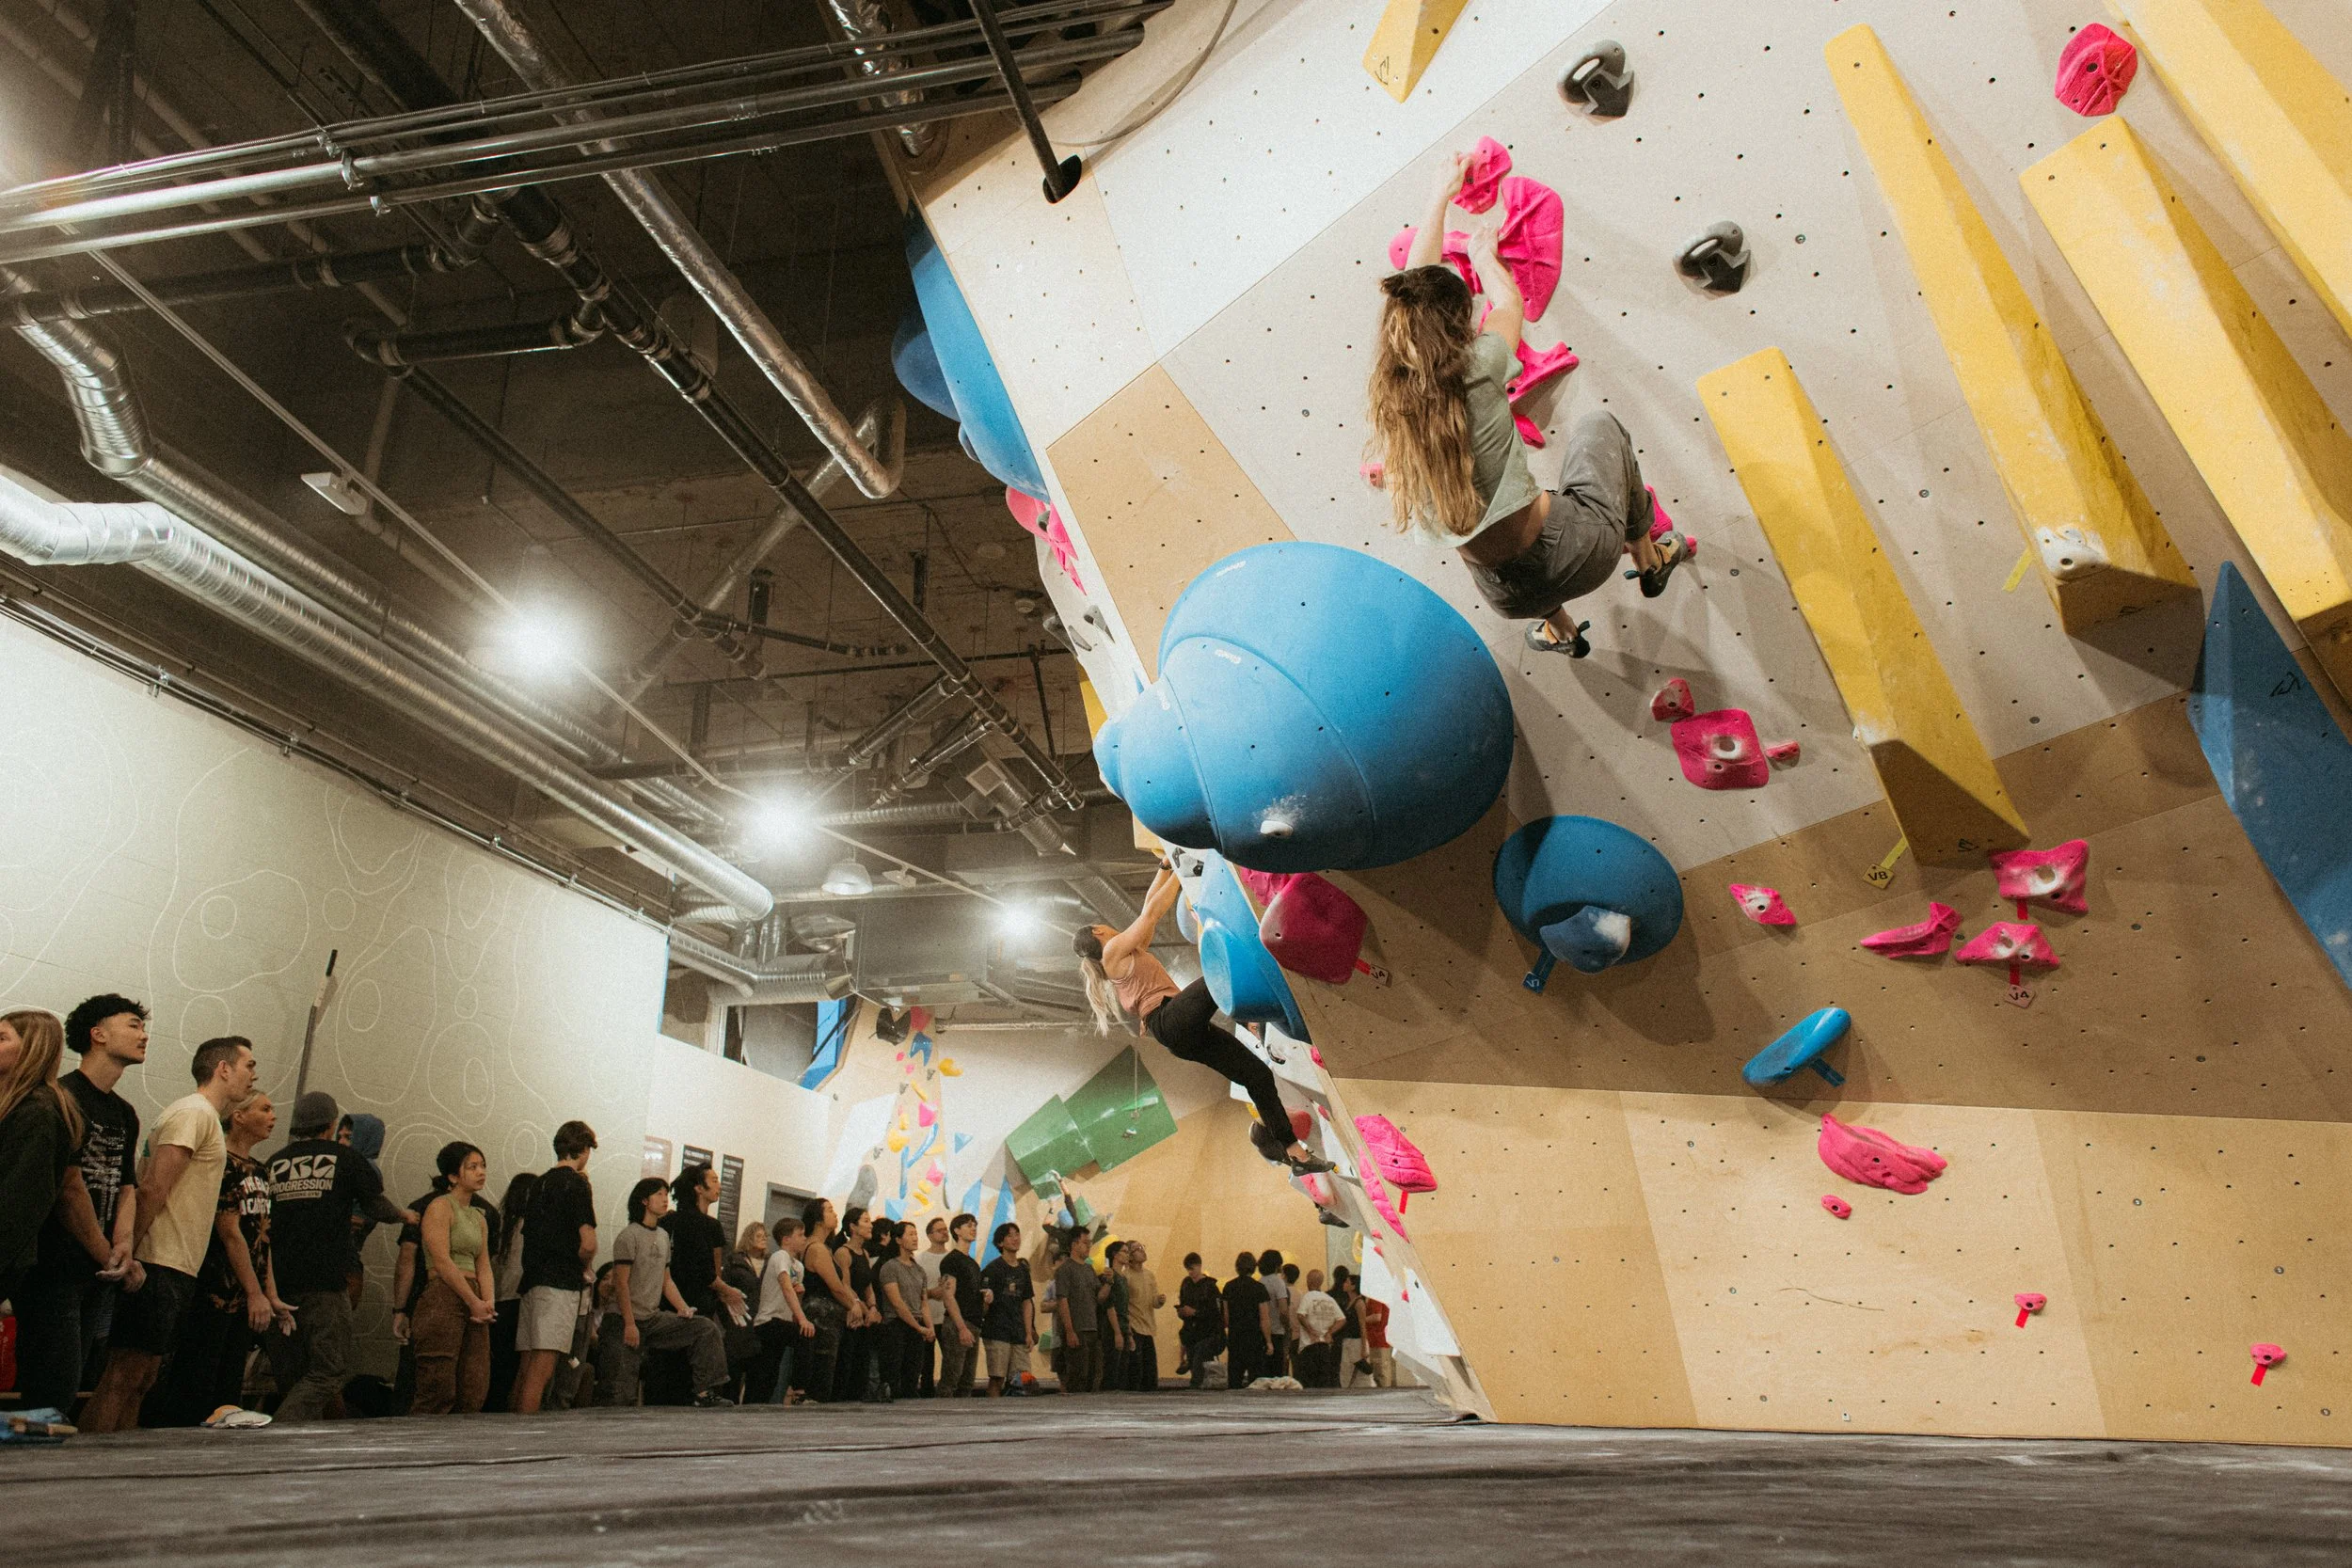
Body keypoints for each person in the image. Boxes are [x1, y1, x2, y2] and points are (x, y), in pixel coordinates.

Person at [1367, 158, 1690, 662]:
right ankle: (1651, 558)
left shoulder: (1392, 402)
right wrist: (1484, 257)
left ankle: (1560, 631)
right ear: (1456, 326)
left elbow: (1414, 293)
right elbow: (1507, 304)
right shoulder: (1479, 365)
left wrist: (1438, 199)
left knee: (1493, 533)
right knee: (1599, 427)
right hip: (1579, 553)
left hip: (1507, 598)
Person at [1075, 867, 1334, 1176]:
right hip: (1169, 1020)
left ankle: (1295, 1154)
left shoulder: (1126, 954)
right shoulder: (1111, 953)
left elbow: (1149, 908)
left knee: (1258, 1077)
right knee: (1218, 972)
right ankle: (1261, 999)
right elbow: (1151, 913)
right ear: (1098, 932)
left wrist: (1164, 868)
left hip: (1178, 1033)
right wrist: (1180, 872)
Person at [79, 1036, 256, 1433]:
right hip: (157, 1259)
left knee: (142, 1381)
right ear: (223, 1069)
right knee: (123, 1377)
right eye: (248, 1065)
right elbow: (153, 1188)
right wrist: (129, 1250)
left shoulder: (203, 1117)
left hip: (175, 1264)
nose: (254, 1075)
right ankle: (87, 1463)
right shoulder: (194, 1113)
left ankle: (121, 1463)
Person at [14, 994, 146, 1417]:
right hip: (54, 1267)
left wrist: (123, 1244)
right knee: (51, 1389)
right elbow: (68, 1191)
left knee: (68, 1389)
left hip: (97, 1272)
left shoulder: (124, 1113)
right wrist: (108, 1253)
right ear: (98, 1034)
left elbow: (127, 1185)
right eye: (133, 1025)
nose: (144, 1035)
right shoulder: (62, 1097)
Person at [259, 1087, 411, 1425]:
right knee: (330, 1370)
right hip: (326, 1280)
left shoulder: (274, 1162)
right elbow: (375, 1206)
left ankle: (295, 1437)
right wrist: (405, 1216)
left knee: (292, 1372)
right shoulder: (346, 1159)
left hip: (277, 1283)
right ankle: (279, 1430)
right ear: (330, 1124)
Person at [152, 1087, 288, 1425]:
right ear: (239, 1116)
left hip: (245, 1297)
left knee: (229, 1392)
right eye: (264, 1109)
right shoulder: (223, 1162)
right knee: (198, 1385)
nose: (273, 1117)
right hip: (215, 1289)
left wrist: (270, 1293)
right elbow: (229, 1231)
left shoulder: (261, 1170)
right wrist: (256, 1292)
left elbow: (263, 1236)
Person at [596, 1177, 730, 1407]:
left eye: (666, 1194)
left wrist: (683, 1308)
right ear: (644, 1201)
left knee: (704, 1328)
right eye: (658, 1194)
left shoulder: (663, 1235)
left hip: (652, 1318)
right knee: (620, 1394)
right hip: (623, 1319)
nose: (665, 1199)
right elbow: (621, 1283)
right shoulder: (629, 1235)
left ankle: (704, 1391)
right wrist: (630, 1323)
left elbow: (666, 1281)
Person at [513, 1120, 598, 1415]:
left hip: (531, 1280)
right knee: (543, 1369)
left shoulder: (538, 1184)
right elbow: (588, 1243)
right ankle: (525, 1436)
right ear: (583, 1149)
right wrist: (584, 1265)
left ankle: (508, 1430)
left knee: (525, 1368)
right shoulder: (577, 1184)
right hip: (559, 1283)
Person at [0, 1011, 83, 1314]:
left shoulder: (37, 1112)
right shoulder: (15, 1105)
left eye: (2, 1038)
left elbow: (19, 1203)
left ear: (32, 1048)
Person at [410, 1142, 499, 1415]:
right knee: (438, 1386)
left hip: (475, 1297)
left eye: (482, 1166)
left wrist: (487, 1302)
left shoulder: (479, 1217)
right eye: (472, 1167)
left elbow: (484, 1264)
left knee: (474, 1386)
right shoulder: (440, 1206)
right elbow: (441, 1260)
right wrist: (473, 1301)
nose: (481, 1172)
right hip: (444, 1293)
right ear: (452, 1176)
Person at [484, 1171, 537, 1411]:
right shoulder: (530, 1228)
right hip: (519, 1301)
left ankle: (490, 1410)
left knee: (496, 1366)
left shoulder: (499, 1224)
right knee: (516, 1368)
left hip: (496, 1301)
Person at [749, 1214, 815, 1404]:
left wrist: (800, 1293)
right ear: (786, 1240)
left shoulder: (798, 1266)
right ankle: (799, 1392)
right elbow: (786, 1287)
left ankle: (758, 1403)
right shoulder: (780, 1256)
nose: (804, 1238)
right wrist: (803, 1319)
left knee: (769, 1371)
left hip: (782, 1320)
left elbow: (792, 1297)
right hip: (768, 1320)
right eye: (800, 1235)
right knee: (805, 1336)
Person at [794, 1197, 854, 1402]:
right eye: (829, 1210)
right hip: (820, 1315)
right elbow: (835, 1287)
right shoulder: (816, 1248)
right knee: (822, 1371)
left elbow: (843, 1284)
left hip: (827, 1315)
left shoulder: (825, 1247)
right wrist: (853, 1307)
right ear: (818, 1219)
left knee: (828, 1370)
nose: (835, 1214)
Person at [876, 1218, 934, 1401]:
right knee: (893, 1375)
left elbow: (923, 1303)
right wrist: (918, 1328)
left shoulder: (919, 1270)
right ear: (898, 1240)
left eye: (916, 1234)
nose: (915, 1238)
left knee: (912, 1376)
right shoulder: (890, 1267)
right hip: (896, 1325)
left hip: (917, 1325)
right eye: (910, 1234)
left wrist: (929, 1327)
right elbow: (897, 1303)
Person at [978, 1222, 1035, 1397]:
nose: (1015, 1238)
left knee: (1023, 1379)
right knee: (997, 1378)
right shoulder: (992, 1269)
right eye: (1010, 1235)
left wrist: (1028, 1332)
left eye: (1017, 1234)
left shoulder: (1023, 1270)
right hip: (997, 1330)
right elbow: (983, 1301)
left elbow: (1027, 1302)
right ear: (1000, 1242)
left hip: (1018, 1331)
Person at [937, 1212, 983, 1398]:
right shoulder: (952, 1260)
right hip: (959, 1324)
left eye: (975, 1225)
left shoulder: (972, 1263)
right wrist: (961, 1327)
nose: (973, 1228)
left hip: (973, 1323)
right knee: (951, 1378)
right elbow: (948, 1296)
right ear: (956, 1230)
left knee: (967, 1381)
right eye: (968, 1225)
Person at [1052, 1228, 1104, 1394]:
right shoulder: (1065, 1270)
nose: (1089, 1246)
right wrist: (1069, 1331)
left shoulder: (1089, 1269)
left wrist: (1109, 1282)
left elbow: (1100, 1297)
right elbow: (1062, 1300)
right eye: (1085, 1242)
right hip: (1077, 1330)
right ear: (1074, 1245)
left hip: (1092, 1328)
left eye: (1090, 1243)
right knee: (1077, 1377)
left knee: (1094, 1377)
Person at [1220, 1252, 1271, 1389]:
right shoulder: (1259, 1288)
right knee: (1256, 1382)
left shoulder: (1229, 1287)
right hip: (1254, 1339)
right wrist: (1268, 1341)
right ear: (1254, 1267)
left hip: (1235, 1338)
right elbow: (1264, 1318)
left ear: (1237, 1267)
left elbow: (1226, 1318)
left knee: (1234, 1381)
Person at [916, 1215, 954, 1397]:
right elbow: (914, 1288)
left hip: (948, 1316)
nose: (944, 1232)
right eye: (940, 1230)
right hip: (929, 1316)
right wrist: (931, 1293)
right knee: (926, 1362)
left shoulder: (953, 1258)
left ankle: (948, 1393)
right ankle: (926, 1394)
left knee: (951, 1359)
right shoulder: (920, 1259)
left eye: (946, 1229)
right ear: (930, 1235)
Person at [1120, 1240, 1165, 1391]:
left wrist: (1159, 1301)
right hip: (1134, 1326)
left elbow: (1154, 1302)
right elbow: (1124, 1305)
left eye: (1142, 1247)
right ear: (1130, 1256)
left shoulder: (1149, 1275)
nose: (1142, 1250)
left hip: (1148, 1327)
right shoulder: (1126, 1276)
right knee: (1135, 1371)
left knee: (1150, 1372)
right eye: (1137, 1249)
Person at [1175, 1253, 1222, 1389]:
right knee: (1194, 1361)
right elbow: (1183, 1302)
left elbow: (1215, 1313)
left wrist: (1195, 1312)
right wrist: (1182, 1312)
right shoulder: (1186, 1284)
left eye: (1192, 1268)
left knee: (1198, 1360)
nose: (1190, 1272)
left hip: (1208, 1333)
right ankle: (1197, 1383)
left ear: (1199, 1266)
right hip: (1192, 1331)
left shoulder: (1210, 1286)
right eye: (1188, 1269)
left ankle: (1195, 1385)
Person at [1294, 1268, 1345, 1387]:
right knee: (1323, 1381)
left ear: (1308, 1281)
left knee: (1309, 1382)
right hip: (1325, 1345)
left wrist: (1311, 1332)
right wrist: (1329, 1333)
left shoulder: (1308, 1297)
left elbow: (1300, 1315)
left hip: (1309, 1345)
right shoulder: (1329, 1299)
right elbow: (1342, 1319)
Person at [1099, 1240, 1131, 1392]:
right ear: (1115, 1255)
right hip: (1112, 1328)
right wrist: (1117, 1333)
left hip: (1123, 1326)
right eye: (1124, 1251)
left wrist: (1128, 1333)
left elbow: (1125, 1307)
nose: (1127, 1255)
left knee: (1123, 1372)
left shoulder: (1123, 1278)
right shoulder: (1109, 1276)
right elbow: (1109, 1305)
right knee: (1112, 1370)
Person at [1258, 1250, 1295, 1382]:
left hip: (1262, 1332)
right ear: (1276, 1265)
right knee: (1277, 1375)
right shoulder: (1278, 1283)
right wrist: (1287, 1326)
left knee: (1265, 1374)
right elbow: (1283, 1310)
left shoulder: (1260, 1282)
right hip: (1277, 1331)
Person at [1350, 1290, 1395, 1388]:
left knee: (1380, 1372)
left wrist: (1360, 1320)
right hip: (1379, 1339)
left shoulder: (1375, 1299)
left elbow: (1377, 1317)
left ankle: (1384, 1392)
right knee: (1381, 1371)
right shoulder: (1380, 1297)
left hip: (1377, 1339)